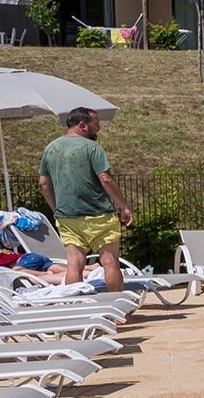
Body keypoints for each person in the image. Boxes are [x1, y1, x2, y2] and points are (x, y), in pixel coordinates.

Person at [36, 107, 133, 291]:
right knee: (109, 262)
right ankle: (118, 316)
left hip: (67, 217)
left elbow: (43, 183)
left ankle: (78, 310)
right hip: (99, 214)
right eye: (96, 124)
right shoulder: (92, 147)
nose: (99, 129)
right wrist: (124, 206)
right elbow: (105, 178)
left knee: (74, 264)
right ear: (82, 125)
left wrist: (56, 208)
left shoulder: (51, 148)